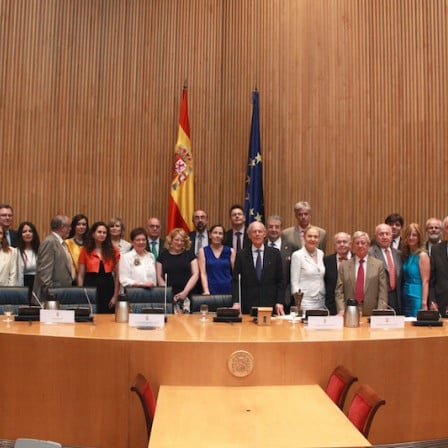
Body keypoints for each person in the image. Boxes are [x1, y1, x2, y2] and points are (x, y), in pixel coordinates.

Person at [232, 221, 285, 315]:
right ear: (249, 235)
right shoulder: (241, 254)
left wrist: (279, 301)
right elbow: (236, 280)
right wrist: (236, 302)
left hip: (269, 304)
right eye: (254, 232)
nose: (257, 234)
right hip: (247, 304)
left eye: (260, 232)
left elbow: (280, 280)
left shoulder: (275, 253)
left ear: (264, 234)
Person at [335, 231, 388, 316]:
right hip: (349, 314)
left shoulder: (378, 265)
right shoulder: (344, 266)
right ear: (352, 246)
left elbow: (382, 292)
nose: (360, 245)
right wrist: (342, 310)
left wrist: (380, 312)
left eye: (363, 243)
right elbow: (339, 292)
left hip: (372, 314)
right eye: (357, 243)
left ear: (368, 245)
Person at [78, 222, 120, 313]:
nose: (102, 235)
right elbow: (80, 275)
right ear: (93, 234)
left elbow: (117, 276)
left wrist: (115, 296)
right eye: (99, 232)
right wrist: (81, 293)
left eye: (104, 233)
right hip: (90, 285)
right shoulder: (85, 250)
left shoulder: (114, 250)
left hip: (108, 286)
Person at [156, 228, 199, 313]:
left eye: (182, 241)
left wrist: (185, 292)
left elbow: (196, 274)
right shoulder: (162, 256)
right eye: (177, 240)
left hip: (187, 295)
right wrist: (168, 294)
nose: (179, 243)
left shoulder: (190, 255)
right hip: (168, 297)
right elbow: (159, 276)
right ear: (170, 240)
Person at [33, 215, 74, 300]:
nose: (70, 229)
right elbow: (45, 275)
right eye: (69, 226)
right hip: (51, 297)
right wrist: (51, 294)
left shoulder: (61, 243)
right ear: (62, 227)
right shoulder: (50, 242)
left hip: (60, 294)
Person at [266, 215, 298, 310]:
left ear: (281, 229)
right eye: (271, 226)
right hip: (265, 296)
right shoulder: (261, 246)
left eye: (277, 227)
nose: (273, 229)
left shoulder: (292, 248)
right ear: (266, 228)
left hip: (285, 298)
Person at [290, 226, 326, 312]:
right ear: (304, 237)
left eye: (315, 237)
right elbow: (294, 282)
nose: (312, 239)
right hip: (305, 301)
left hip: (321, 299)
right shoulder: (297, 255)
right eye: (309, 236)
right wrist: (299, 304)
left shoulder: (321, 253)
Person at [369, 224, 402, 314]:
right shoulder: (369, 253)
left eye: (387, 234)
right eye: (381, 234)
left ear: (391, 236)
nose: (384, 237)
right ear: (375, 237)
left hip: (396, 298)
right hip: (378, 298)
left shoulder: (398, 254)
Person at [401, 223, 430, 317]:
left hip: (417, 296)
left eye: (414, 235)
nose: (411, 237)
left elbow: (425, 281)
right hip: (405, 295)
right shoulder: (406, 254)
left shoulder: (422, 255)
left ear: (419, 237)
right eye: (408, 235)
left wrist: (424, 303)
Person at [198, 224, 235, 295]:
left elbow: (234, 273)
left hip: (228, 288)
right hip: (210, 289)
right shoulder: (202, 251)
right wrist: (206, 290)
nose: (217, 235)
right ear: (210, 235)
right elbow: (203, 273)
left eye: (220, 233)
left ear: (223, 237)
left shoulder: (231, 251)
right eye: (215, 233)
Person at [323, 232, 352, 315]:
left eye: (345, 242)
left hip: (352, 306)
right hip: (331, 308)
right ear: (334, 245)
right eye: (338, 242)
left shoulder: (357, 260)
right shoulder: (326, 261)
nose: (342, 244)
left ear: (350, 244)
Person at [429, 216, 448, 316]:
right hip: (441, 303)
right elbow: (432, 279)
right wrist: (432, 300)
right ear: (444, 230)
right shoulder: (436, 250)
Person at [16, 221, 40, 294]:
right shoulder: (15, 252)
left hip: (37, 284)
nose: (28, 234)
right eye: (24, 232)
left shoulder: (40, 250)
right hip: (22, 284)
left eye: (30, 231)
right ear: (20, 235)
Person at [65, 214, 89, 278]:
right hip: (72, 278)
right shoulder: (67, 243)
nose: (81, 227)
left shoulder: (90, 243)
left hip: (88, 277)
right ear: (74, 226)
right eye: (78, 224)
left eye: (84, 224)